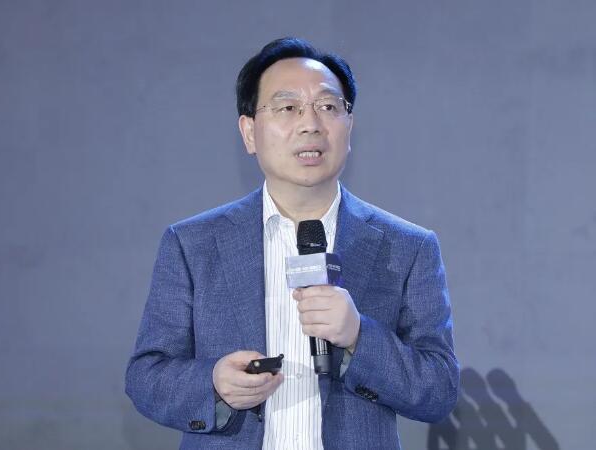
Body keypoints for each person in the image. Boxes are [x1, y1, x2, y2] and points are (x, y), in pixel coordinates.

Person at [125, 37, 459, 450]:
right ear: (249, 132)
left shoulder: (408, 247)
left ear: (349, 128)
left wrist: (359, 336)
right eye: (287, 108)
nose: (311, 124)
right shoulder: (192, 244)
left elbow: (440, 389)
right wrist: (212, 383)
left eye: (328, 107)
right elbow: (146, 377)